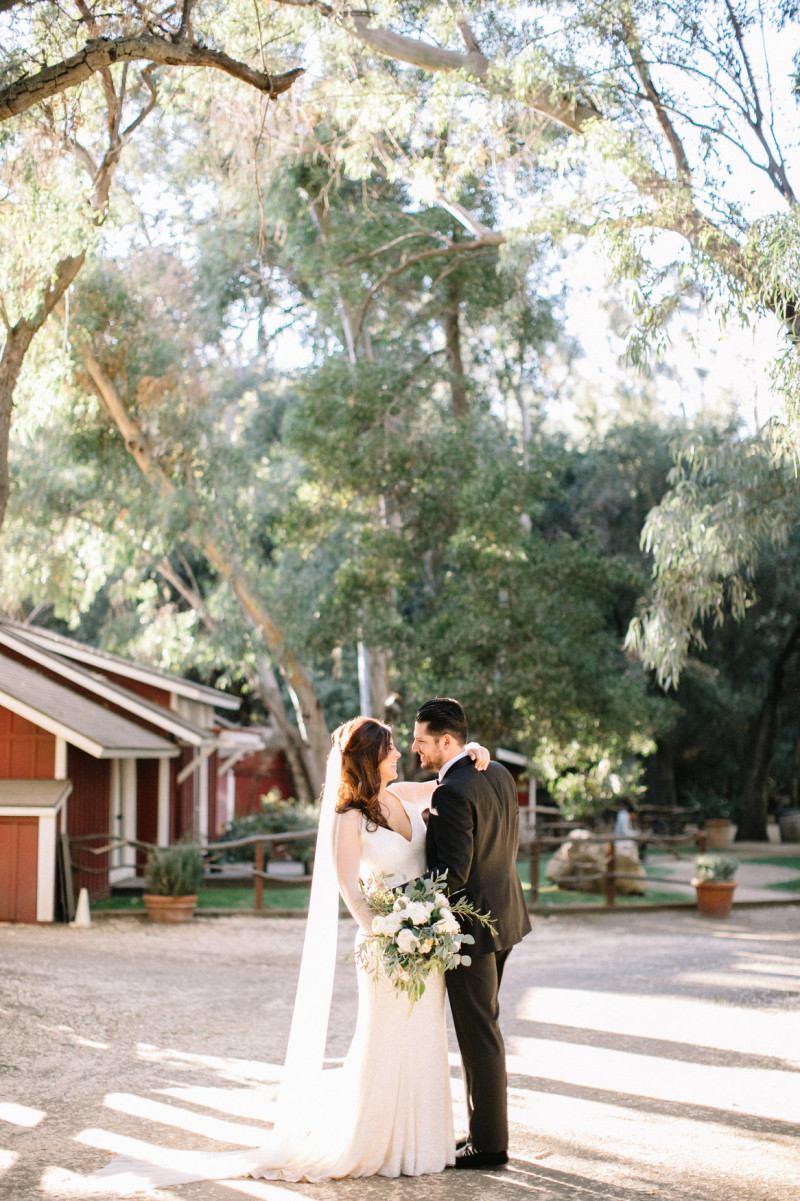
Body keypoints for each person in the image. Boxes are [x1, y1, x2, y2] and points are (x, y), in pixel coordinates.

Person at [86, 716, 490, 1193]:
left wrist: (475, 750)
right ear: (368, 758)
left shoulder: (404, 794)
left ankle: (421, 1144)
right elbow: (347, 884)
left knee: (423, 1039)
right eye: (390, 750)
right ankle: (373, 1142)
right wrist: (386, 934)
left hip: (421, 942)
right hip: (385, 948)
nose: (399, 755)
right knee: (385, 1041)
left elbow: (447, 781)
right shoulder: (347, 815)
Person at [413, 697, 532, 1170]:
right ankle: (484, 1131)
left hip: (469, 932)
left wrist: (406, 899)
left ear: (447, 741)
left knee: (479, 1033)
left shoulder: (452, 793)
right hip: (503, 918)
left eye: (422, 741)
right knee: (485, 1027)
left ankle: (488, 1145)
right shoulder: (497, 772)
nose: (415, 748)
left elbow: (452, 874)